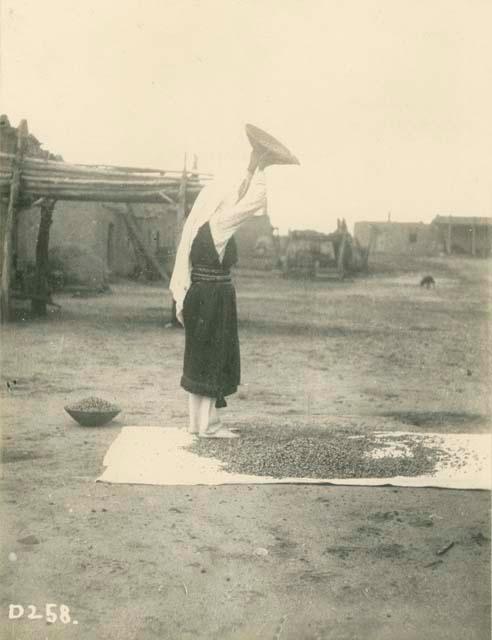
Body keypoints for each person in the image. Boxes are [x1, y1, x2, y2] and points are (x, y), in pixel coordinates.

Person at [170, 125, 298, 438]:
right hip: (214, 298)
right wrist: (262, 169)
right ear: (218, 204)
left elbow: (237, 197)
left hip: (200, 294)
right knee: (212, 357)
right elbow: (250, 203)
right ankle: (209, 427)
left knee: (198, 357)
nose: (229, 202)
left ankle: (196, 424)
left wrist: (250, 167)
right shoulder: (218, 224)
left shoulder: (201, 225)